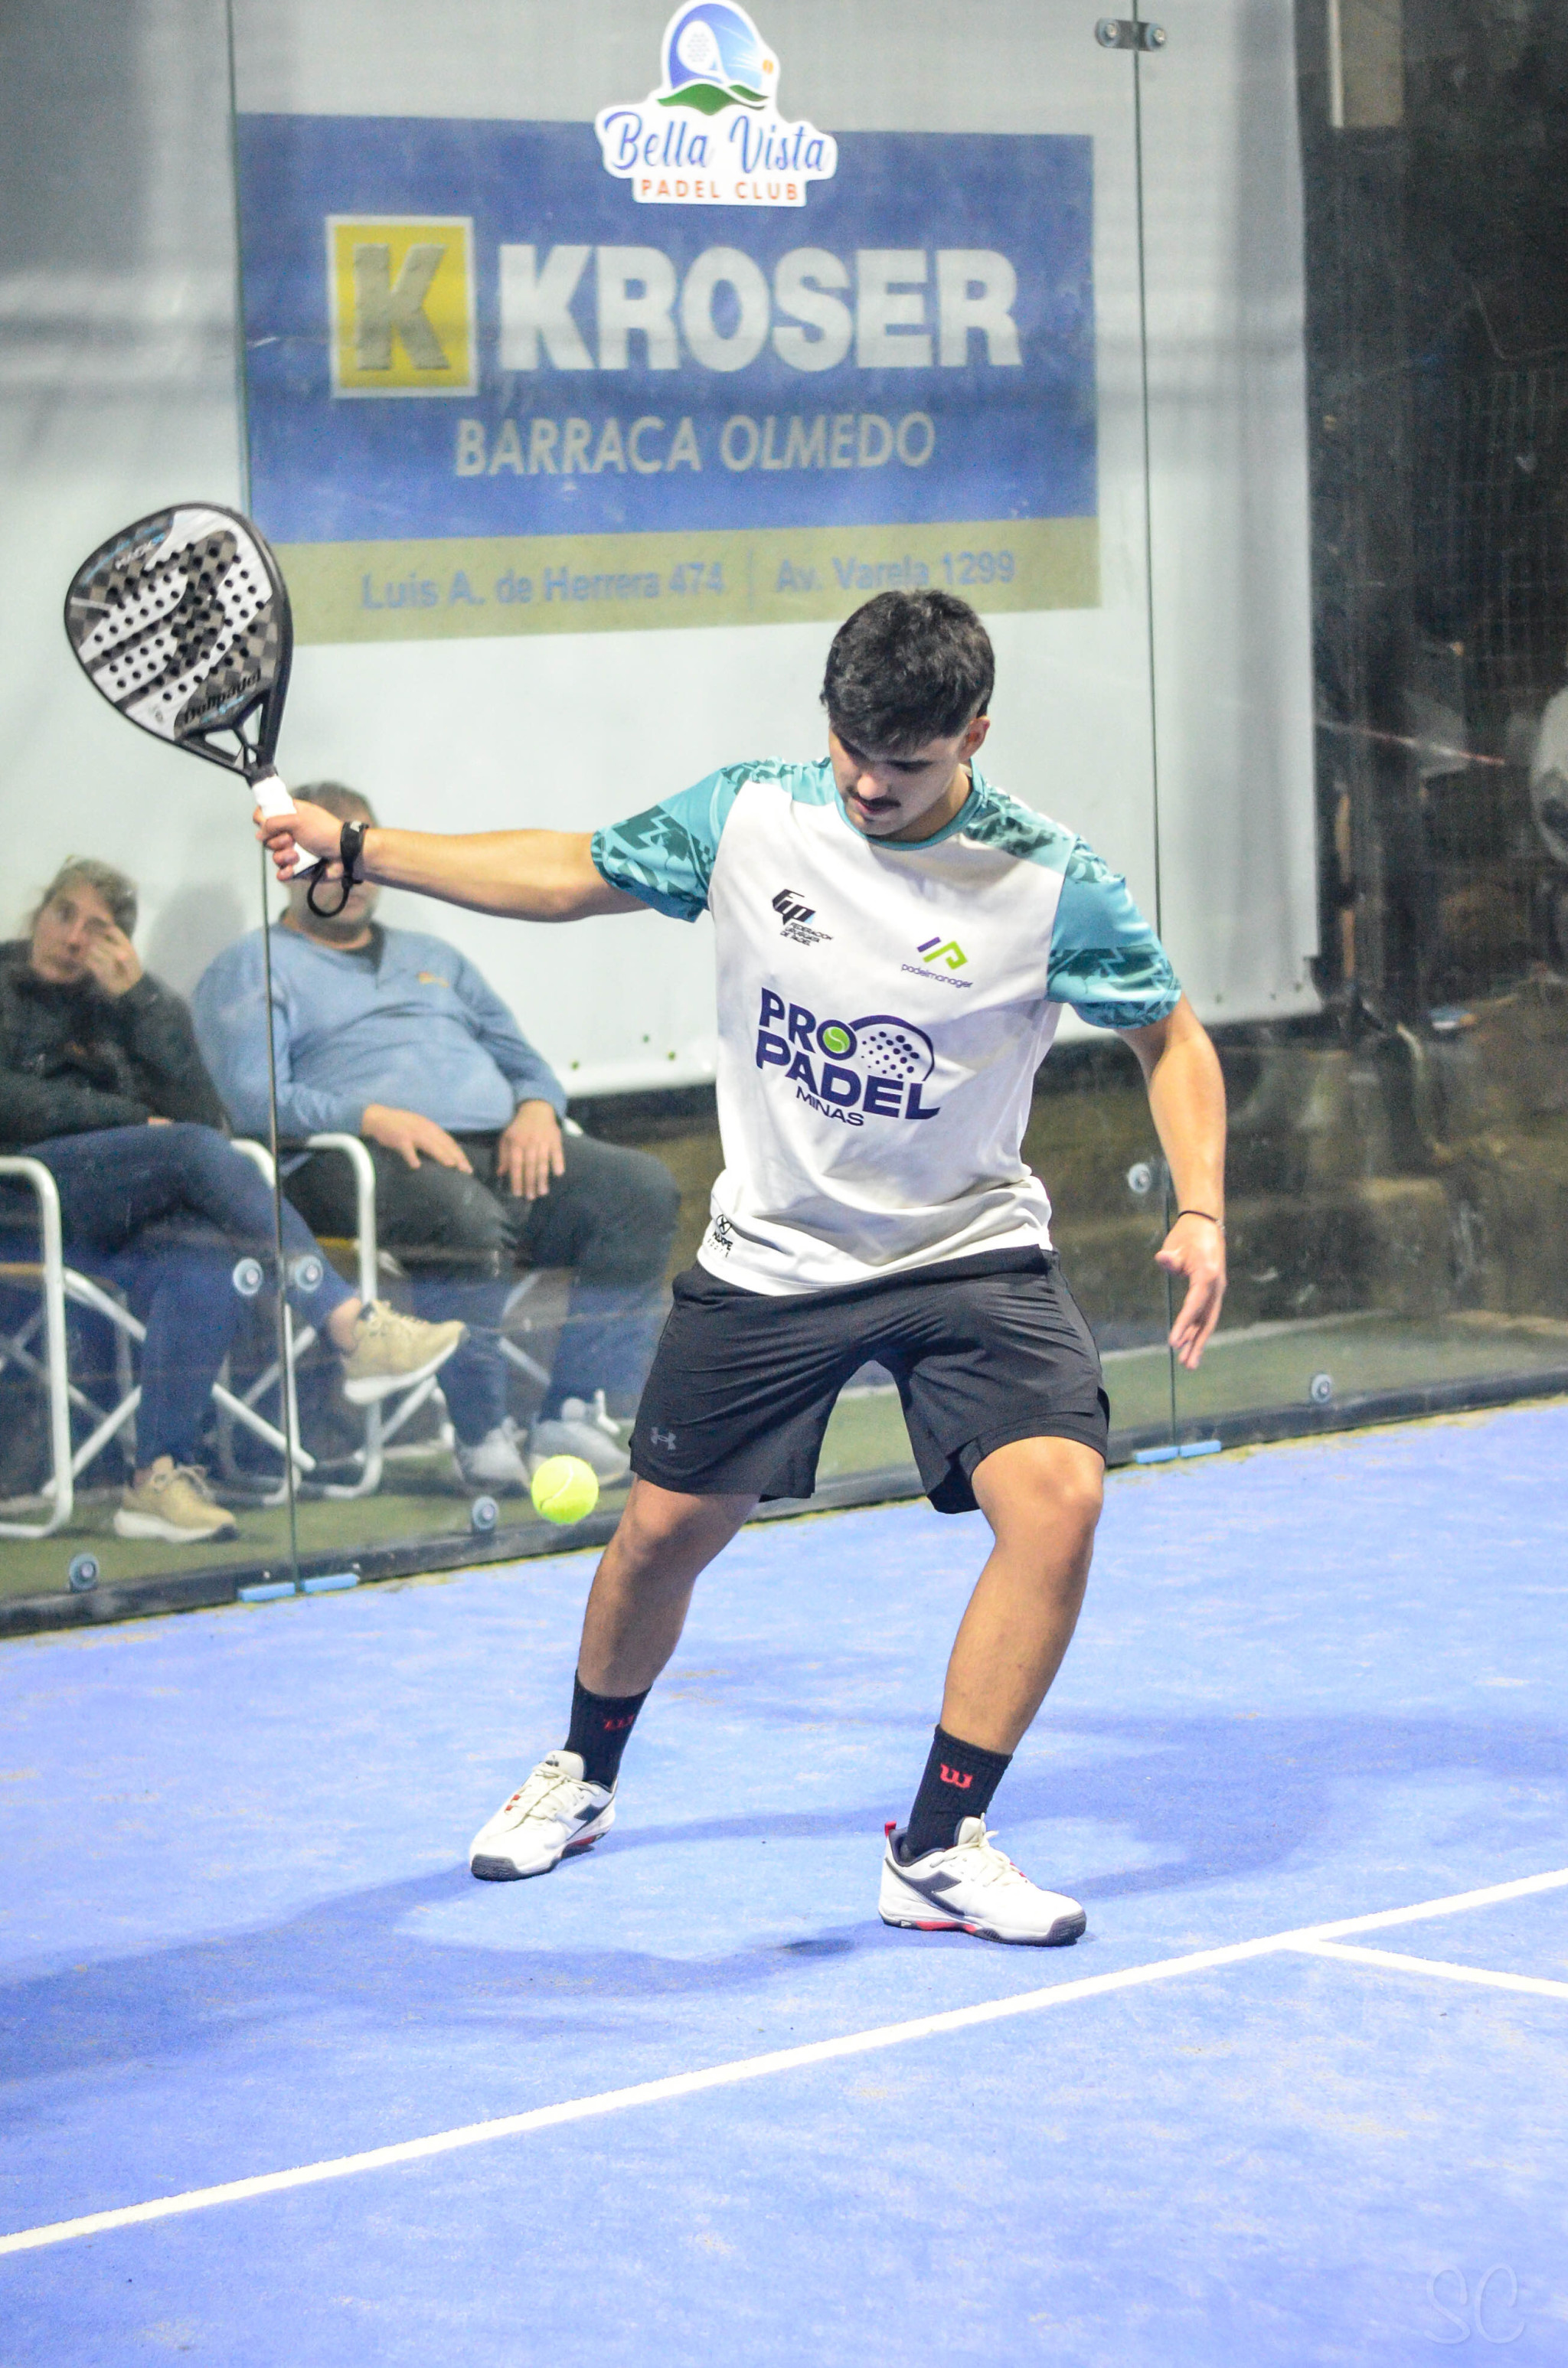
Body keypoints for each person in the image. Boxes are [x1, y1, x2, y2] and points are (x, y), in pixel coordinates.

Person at [257, 591, 1227, 1947]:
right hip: (774, 1253)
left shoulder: (1049, 880)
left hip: (966, 1248)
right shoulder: (750, 817)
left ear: (973, 735)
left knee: (1060, 1499)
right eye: (852, 750)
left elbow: (1169, 1035)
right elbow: (566, 870)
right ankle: (583, 1769)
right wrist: (362, 845)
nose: (870, 785)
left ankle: (938, 1845)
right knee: (662, 1534)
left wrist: (1201, 1205)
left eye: (905, 762)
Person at [194, 784, 681, 1494]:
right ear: (288, 865)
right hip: (355, 1161)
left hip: (494, 1149)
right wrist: (372, 1117)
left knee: (638, 1188)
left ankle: (573, 1412)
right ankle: (482, 1431)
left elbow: (526, 1063)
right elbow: (251, 1098)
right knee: (462, 1215)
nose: (347, 873)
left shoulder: (435, 957)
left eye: (355, 852)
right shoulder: (253, 964)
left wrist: (537, 1108)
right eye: (325, 856)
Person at [0, 858, 466, 1545]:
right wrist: (132, 1119)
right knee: (189, 1152)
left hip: (113, 1211)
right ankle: (347, 1322)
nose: (73, 938)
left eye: (97, 928)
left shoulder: (126, 1001)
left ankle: (158, 1477)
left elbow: (203, 1117)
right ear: (39, 912)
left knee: (206, 1261)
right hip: (22, 1196)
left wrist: (141, 1003)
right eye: (63, 915)